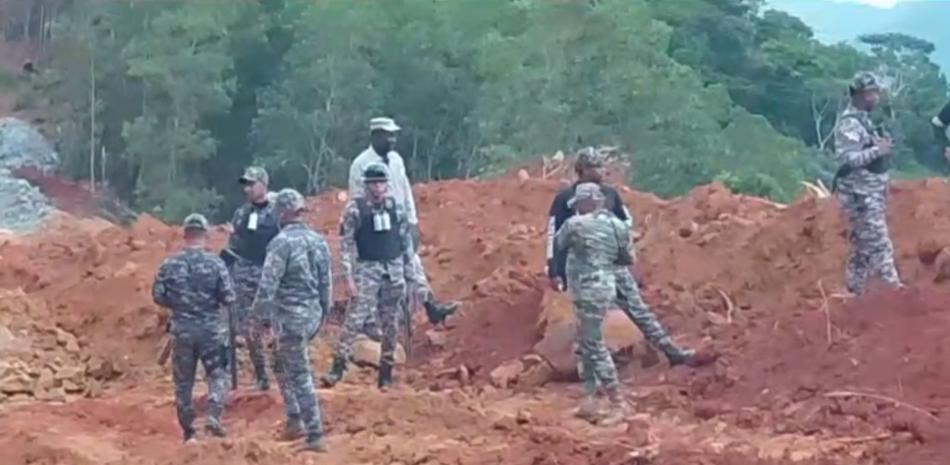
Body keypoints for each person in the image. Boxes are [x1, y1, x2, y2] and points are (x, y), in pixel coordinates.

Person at [546, 147, 702, 367]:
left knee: (638, 309)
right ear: (581, 170)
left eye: (601, 166)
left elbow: (626, 223)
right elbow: (554, 234)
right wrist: (554, 269)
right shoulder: (565, 199)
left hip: (613, 265)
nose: (601, 171)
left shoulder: (610, 195)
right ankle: (587, 369)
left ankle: (670, 351)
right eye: (594, 167)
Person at [322, 162, 439, 390]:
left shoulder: (395, 208)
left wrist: (411, 276)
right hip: (368, 271)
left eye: (381, 182)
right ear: (366, 185)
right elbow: (346, 245)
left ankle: (385, 375)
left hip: (393, 272)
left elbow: (406, 245)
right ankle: (337, 368)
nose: (377, 187)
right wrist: (349, 278)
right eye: (373, 183)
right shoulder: (356, 210)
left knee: (391, 324)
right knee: (355, 320)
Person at [347, 117, 458, 330]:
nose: (392, 140)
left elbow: (405, 190)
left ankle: (430, 305)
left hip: (399, 224)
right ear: (375, 136)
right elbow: (357, 201)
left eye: (393, 135)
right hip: (374, 229)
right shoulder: (361, 164)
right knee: (372, 275)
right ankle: (369, 321)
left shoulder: (396, 160)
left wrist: (413, 221)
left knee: (412, 264)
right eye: (387, 135)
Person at [251, 188, 331, 452]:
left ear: (281, 213)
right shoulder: (318, 240)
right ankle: (294, 418)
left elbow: (267, 285)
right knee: (279, 360)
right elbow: (326, 284)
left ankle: (315, 433)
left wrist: (258, 319)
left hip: (290, 318)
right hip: (311, 315)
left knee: (299, 373)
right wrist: (322, 313)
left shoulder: (280, 243)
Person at [152, 213, 235, 443]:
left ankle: (189, 431)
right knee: (217, 374)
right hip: (210, 330)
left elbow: (158, 296)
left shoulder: (169, 264)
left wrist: (179, 305)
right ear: (205, 234)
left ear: (185, 234)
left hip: (182, 331)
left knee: (183, 382)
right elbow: (229, 297)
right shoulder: (216, 264)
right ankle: (214, 416)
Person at [554, 183, 630, 426]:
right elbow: (627, 258)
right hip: (605, 287)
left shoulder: (575, 225)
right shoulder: (619, 226)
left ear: (586, 202)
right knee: (585, 341)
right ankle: (589, 399)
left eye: (578, 204)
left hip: (586, 289)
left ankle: (618, 402)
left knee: (593, 344)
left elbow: (559, 245)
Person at [832, 72, 902, 295]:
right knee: (880, 243)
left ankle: (855, 290)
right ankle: (894, 290)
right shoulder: (849, 124)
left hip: (871, 191)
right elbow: (848, 159)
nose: (876, 97)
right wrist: (876, 151)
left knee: (862, 248)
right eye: (872, 92)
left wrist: (881, 149)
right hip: (860, 195)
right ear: (861, 95)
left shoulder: (864, 121)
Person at [222, 166, 279, 391]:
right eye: (245, 184)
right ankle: (261, 376)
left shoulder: (277, 212)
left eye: (252, 184)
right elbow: (234, 245)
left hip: (271, 275)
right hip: (245, 275)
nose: (247, 189)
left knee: (277, 326)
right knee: (248, 327)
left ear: (264, 185)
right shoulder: (241, 214)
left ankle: (283, 373)